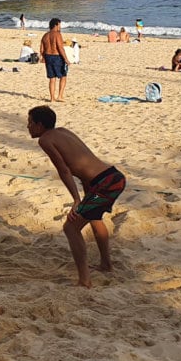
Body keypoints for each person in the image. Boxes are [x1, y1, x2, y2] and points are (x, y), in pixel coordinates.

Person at [27, 106, 126, 287]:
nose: (28, 126)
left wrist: (76, 200)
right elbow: (84, 160)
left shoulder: (45, 139)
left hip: (104, 185)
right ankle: (106, 265)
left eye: (30, 122)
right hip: (113, 176)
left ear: (39, 125)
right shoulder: (63, 131)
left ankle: (85, 281)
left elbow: (64, 170)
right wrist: (86, 194)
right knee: (94, 218)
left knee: (71, 228)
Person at [39, 18, 70, 102]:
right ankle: (60, 96)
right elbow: (60, 48)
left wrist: (43, 57)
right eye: (59, 25)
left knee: (52, 78)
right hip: (57, 57)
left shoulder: (45, 35)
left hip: (48, 56)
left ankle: (52, 98)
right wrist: (66, 59)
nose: (60, 27)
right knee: (63, 76)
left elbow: (41, 49)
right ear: (56, 25)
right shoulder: (57, 34)